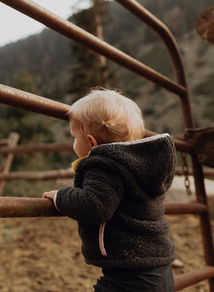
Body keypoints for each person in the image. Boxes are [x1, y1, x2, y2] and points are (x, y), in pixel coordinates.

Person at [43, 88, 176, 291]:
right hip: (159, 272)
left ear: (90, 142)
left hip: (130, 279)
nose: (73, 144)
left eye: (74, 137)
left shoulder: (105, 165)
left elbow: (94, 206)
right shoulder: (137, 167)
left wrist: (60, 196)